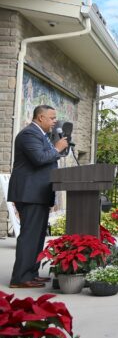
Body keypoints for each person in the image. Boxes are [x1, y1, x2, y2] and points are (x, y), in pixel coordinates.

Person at [9, 105, 69, 288]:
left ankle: (31, 274)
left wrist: (58, 147)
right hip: (30, 193)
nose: (55, 121)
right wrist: (57, 148)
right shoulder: (28, 134)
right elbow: (39, 159)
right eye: (52, 118)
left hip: (39, 193)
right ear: (41, 117)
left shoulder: (40, 135)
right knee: (29, 236)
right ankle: (20, 278)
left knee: (37, 236)